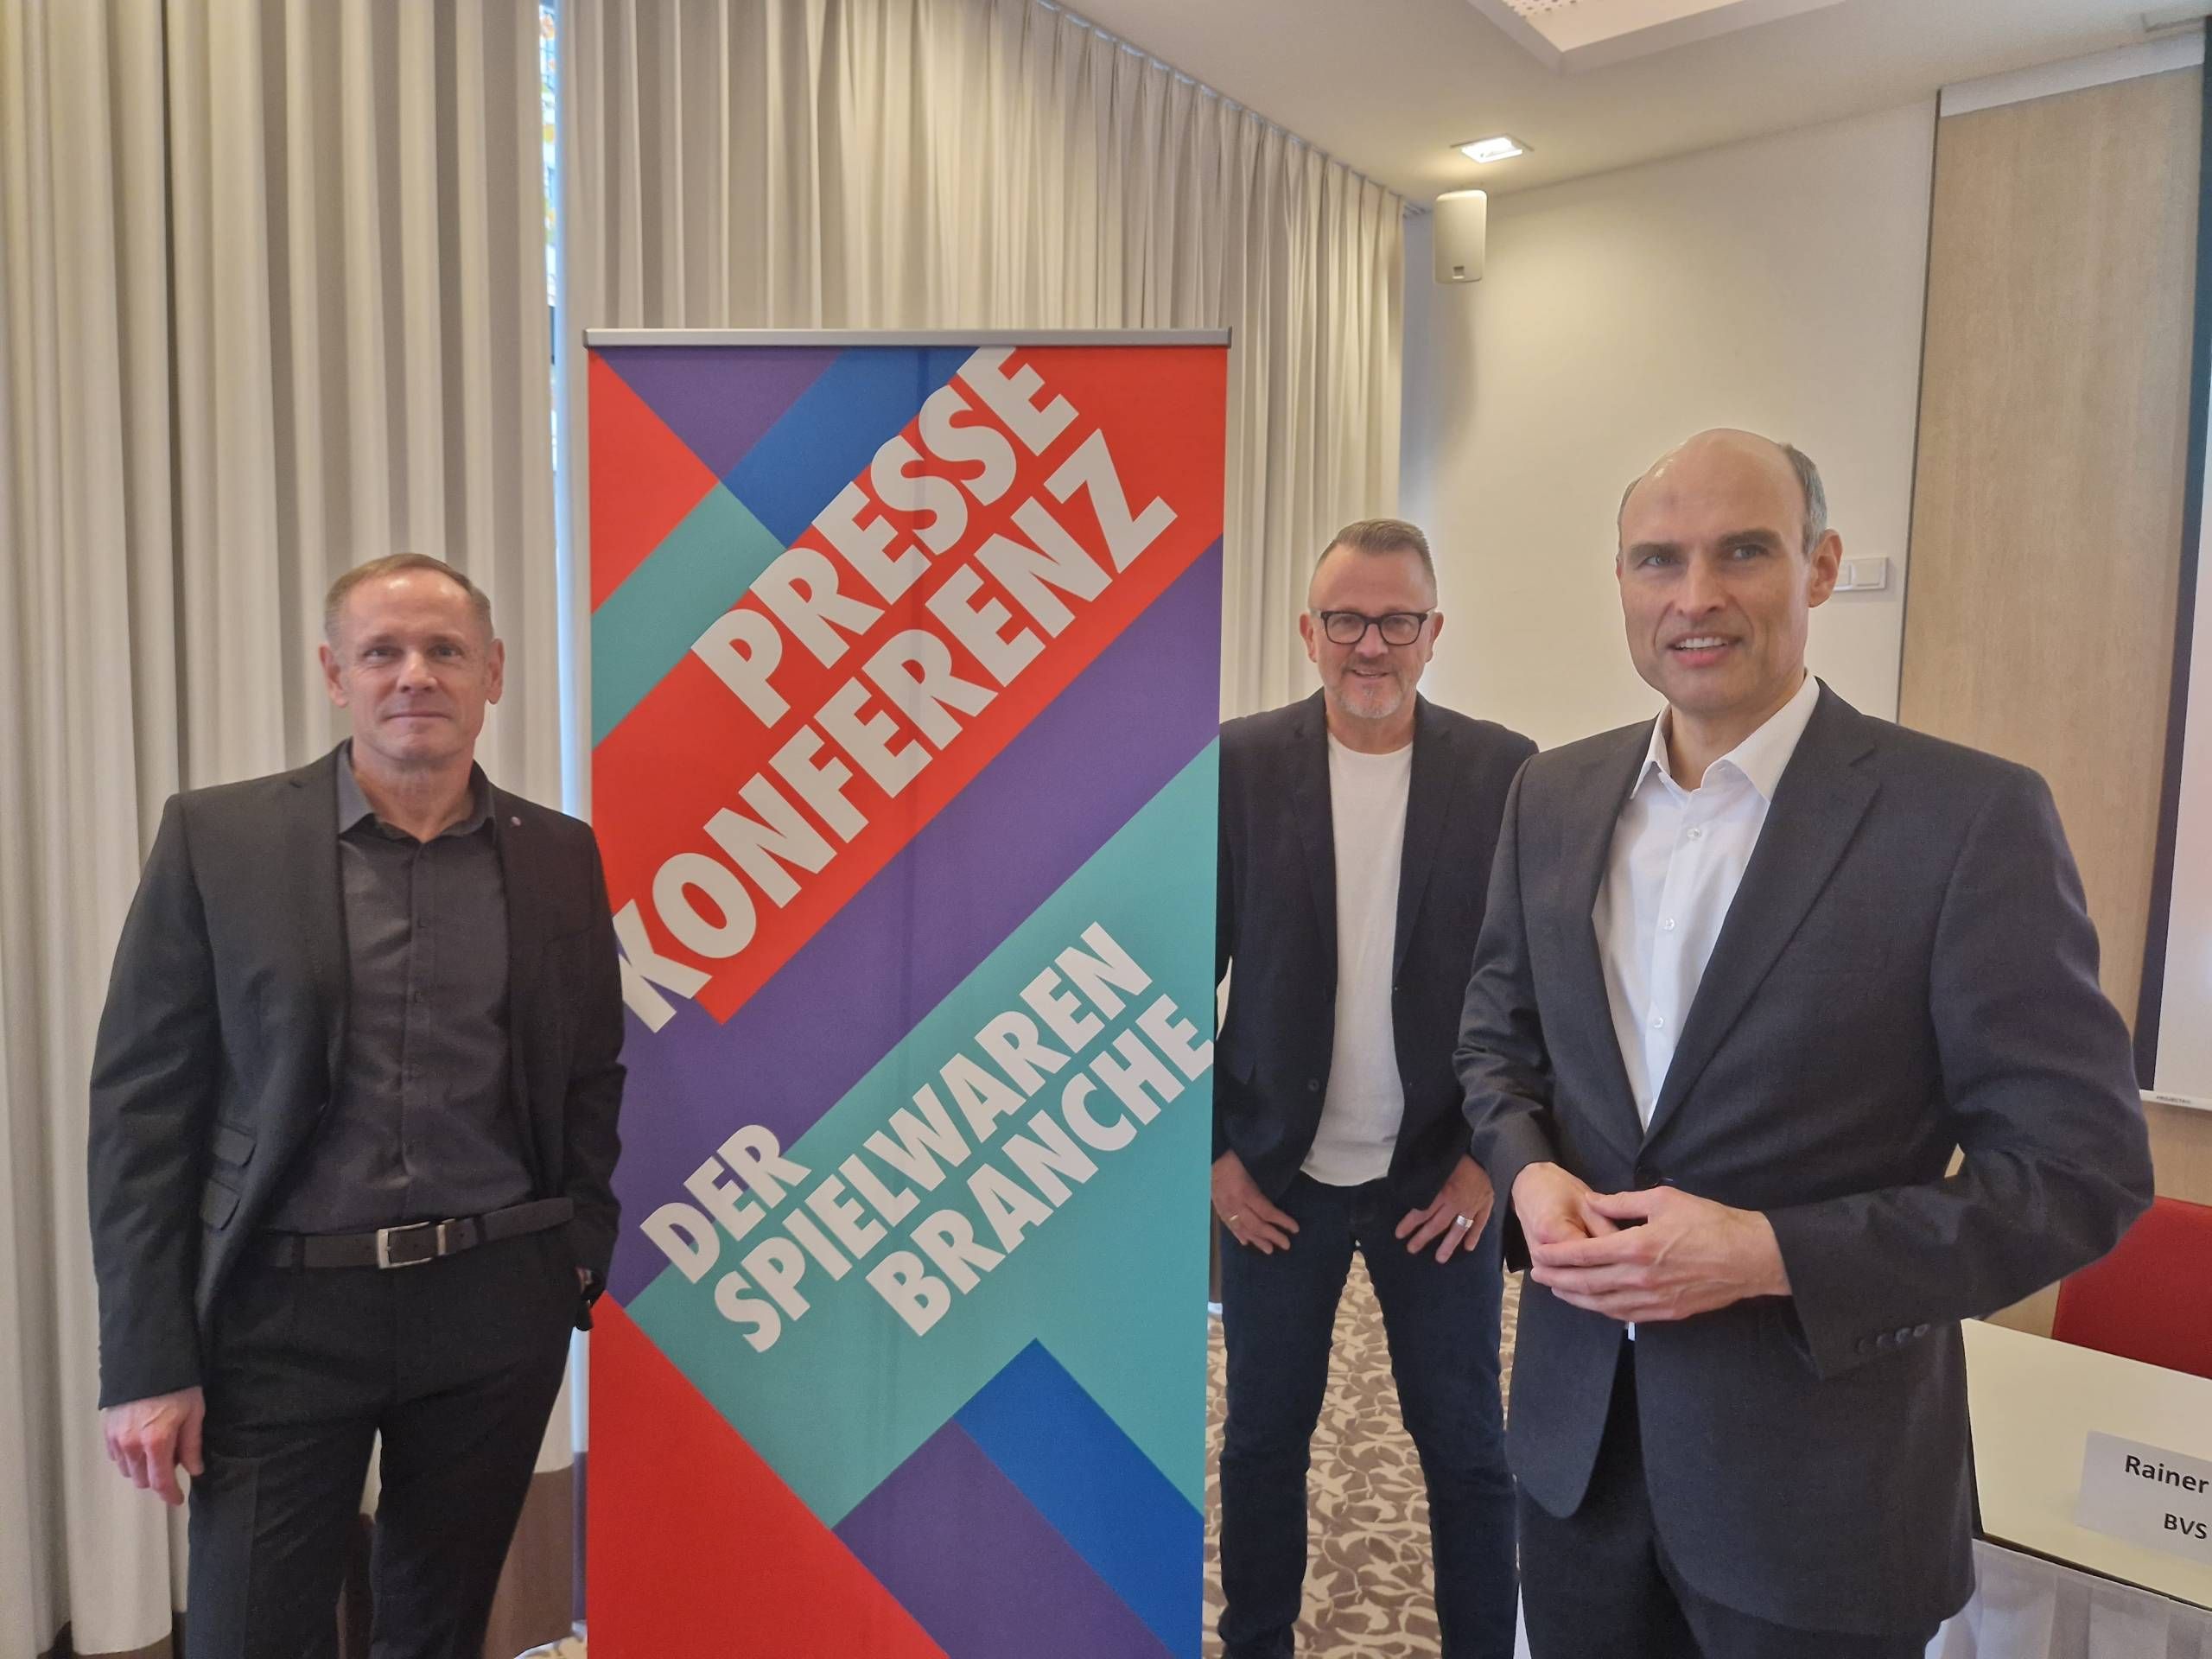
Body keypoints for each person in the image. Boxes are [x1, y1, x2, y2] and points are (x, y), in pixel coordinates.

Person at [1456, 429, 2154, 1657]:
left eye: (1742, 552)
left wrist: (1768, 1254)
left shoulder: (1966, 818)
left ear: (1820, 567)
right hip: (1578, 1466)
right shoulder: (1550, 797)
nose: (1695, 595)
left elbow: (2077, 1175)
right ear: (1619, 580)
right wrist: (1527, 1173)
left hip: (1822, 1500)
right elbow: (1494, 1044)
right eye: (1657, 559)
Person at [88, 553, 626, 1658]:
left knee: (437, 1631)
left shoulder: (559, 855)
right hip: (282, 1313)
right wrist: (146, 1363)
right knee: (248, 1634)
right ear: (337, 676)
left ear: (493, 675)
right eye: (382, 651)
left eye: (445, 650)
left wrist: (577, 1248)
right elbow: (143, 1112)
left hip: (493, 1307)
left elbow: (588, 1067)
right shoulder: (219, 840)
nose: (415, 674)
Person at [1213, 518, 1533, 1659]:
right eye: (1345, 619)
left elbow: (1540, 988)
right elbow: (1174, 970)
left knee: (1468, 1449)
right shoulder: (1239, 765)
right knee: (1262, 1442)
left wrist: (1492, 1165)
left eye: (1396, 621)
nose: (1369, 645)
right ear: (1308, 633)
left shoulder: (1506, 773)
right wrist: (1215, 1158)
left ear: (1433, 633)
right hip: (1274, 1176)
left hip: (1437, 1180)